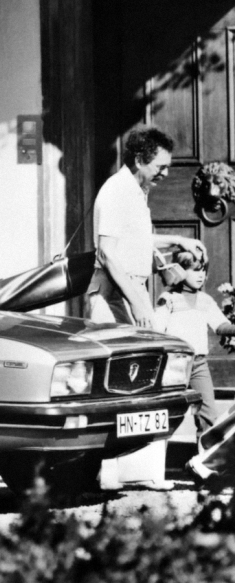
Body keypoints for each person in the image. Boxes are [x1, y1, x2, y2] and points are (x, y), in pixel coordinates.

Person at [86, 125, 206, 491]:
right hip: (112, 295)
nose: (166, 173)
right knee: (111, 386)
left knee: (145, 384)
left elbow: (138, 241)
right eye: (161, 166)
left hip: (131, 288)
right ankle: (103, 473)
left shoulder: (137, 192)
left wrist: (178, 239)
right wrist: (137, 300)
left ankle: (144, 471)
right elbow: (107, 253)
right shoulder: (116, 191)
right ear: (140, 159)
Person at [153, 250, 232, 437]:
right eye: (194, 270)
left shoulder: (205, 300)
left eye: (203, 270)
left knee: (208, 414)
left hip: (198, 364)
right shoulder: (169, 299)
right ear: (179, 271)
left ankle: (205, 459)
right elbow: (156, 330)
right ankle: (157, 458)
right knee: (166, 414)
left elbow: (221, 326)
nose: (201, 275)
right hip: (174, 364)